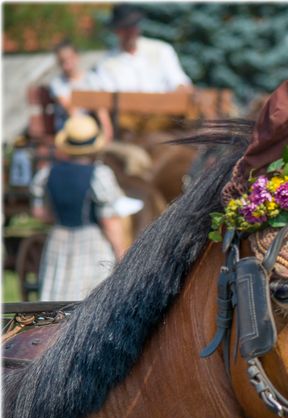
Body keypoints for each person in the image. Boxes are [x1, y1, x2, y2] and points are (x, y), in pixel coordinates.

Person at [29, 115, 134, 301]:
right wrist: (122, 256)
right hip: (90, 242)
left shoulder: (47, 173)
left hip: (59, 240)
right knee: (90, 301)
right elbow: (109, 221)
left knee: (56, 300)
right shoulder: (99, 175)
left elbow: (40, 214)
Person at [88, 4, 192, 94]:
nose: (129, 32)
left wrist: (182, 90)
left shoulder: (161, 50)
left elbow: (179, 82)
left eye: (132, 26)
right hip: (124, 115)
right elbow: (104, 97)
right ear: (117, 31)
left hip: (164, 114)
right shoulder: (106, 63)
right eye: (124, 28)